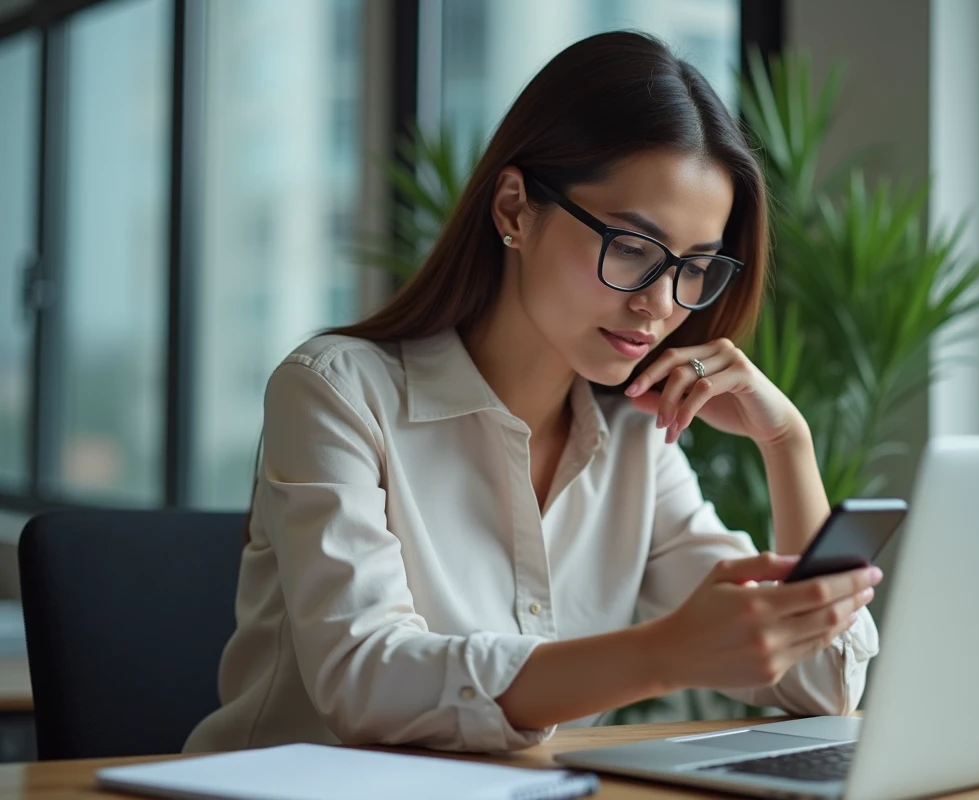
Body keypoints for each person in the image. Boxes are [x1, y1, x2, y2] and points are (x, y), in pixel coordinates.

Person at [184, 30, 881, 755]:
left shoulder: (636, 440)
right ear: (515, 209)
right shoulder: (336, 393)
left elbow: (822, 685)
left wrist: (786, 443)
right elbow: (366, 680)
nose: (661, 304)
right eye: (634, 249)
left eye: (695, 267)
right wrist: (665, 652)